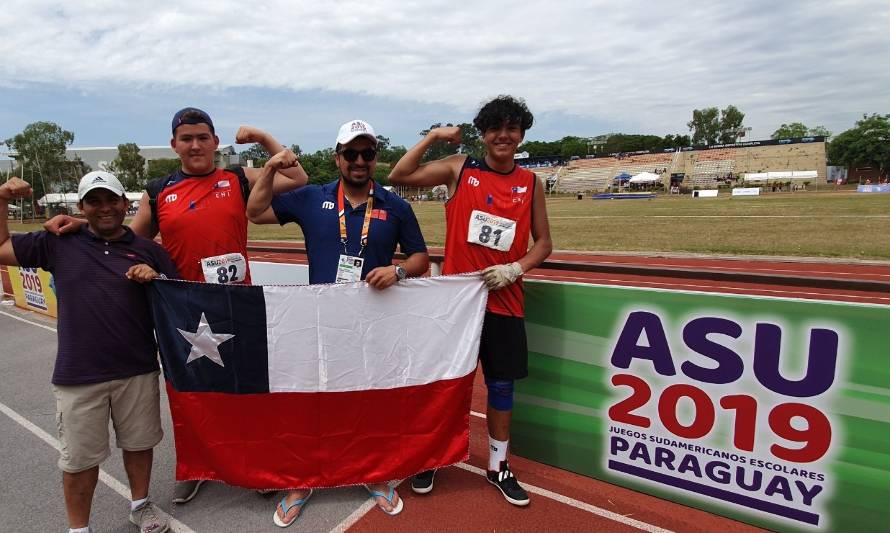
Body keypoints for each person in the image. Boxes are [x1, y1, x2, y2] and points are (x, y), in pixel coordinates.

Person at [45, 107, 309, 503]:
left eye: (203, 137)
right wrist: (84, 223)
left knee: (246, 390)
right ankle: (198, 466)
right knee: (190, 394)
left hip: (236, 302)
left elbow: (296, 176)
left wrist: (260, 137)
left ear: (215, 142)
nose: (196, 145)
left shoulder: (237, 178)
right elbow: (125, 237)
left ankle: (254, 465)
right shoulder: (159, 189)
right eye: (187, 139)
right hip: (183, 308)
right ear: (174, 146)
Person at [246, 119, 429, 527]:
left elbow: (421, 259)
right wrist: (272, 167)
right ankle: (302, 479)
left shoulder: (395, 206)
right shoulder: (312, 197)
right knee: (311, 404)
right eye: (351, 153)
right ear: (338, 158)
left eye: (367, 153)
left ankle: (373, 473)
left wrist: (398, 272)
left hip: (374, 324)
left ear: (376, 157)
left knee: (369, 402)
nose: (359, 161)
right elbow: (255, 212)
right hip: (319, 323)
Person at [388, 95, 553, 506]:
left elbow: (544, 244)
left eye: (512, 128)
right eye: (495, 128)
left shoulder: (531, 183)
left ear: (521, 135)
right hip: (456, 304)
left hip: (505, 300)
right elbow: (398, 174)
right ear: (484, 134)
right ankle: (431, 456)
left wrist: (516, 269)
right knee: (447, 385)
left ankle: (498, 466)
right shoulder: (461, 168)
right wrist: (434, 136)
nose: (503, 135)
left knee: (500, 387)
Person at [0, 171, 179, 533]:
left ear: (125, 204)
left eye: (111, 199)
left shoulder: (151, 251)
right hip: (79, 374)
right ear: (81, 207)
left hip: (138, 368)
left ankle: (140, 506)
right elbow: (1, 249)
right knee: (79, 460)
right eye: (93, 201)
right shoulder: (58, 241)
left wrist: (156, 277)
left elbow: (177, 297)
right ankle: (78, 529)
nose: (105, 208)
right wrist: (1, 199)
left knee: (140, 444)